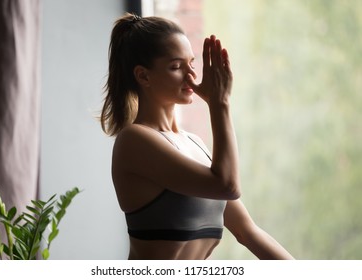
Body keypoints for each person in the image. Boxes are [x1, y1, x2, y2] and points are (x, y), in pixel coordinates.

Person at [101, 13, 294, 260]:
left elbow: (248, 232)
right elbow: (227, 185)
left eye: (192, 63)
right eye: (176, 67)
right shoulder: (134, 140)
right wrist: (220, 103)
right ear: (143, 76)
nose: (191, 75)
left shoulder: (194, 143)